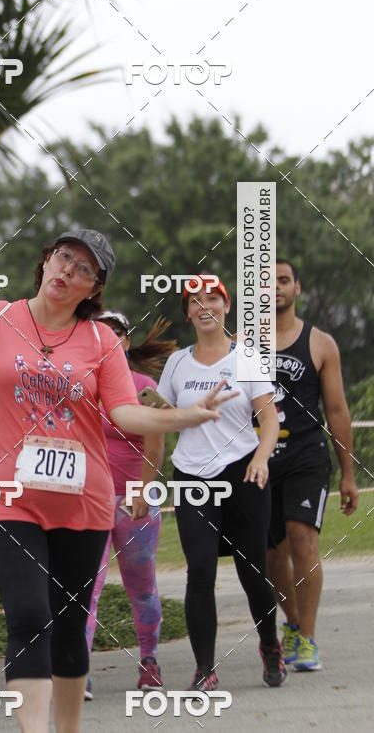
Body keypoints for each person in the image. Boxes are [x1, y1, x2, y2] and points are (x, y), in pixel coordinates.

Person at [0, 231, 236, 733]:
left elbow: (125, 413)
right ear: (47, 260)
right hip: (7, 497)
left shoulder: (99, 342)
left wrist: (186, 417)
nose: (67, 271)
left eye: (82, 269)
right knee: (30, 616)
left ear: (93, 289)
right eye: (64, 258)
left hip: (83, 503)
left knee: (71, 628)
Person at [157, 273, 287, 691]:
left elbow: (268, 420)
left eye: (213, 298)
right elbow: (161, 418)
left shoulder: (246, 358)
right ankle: (205, 668)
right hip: (192, 475)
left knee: (253, 570)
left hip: (243, 471)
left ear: (226, 307)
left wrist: (262, 458)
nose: (204, 306)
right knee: (200, 572)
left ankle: (270, 645)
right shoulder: (177, 363)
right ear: (188, 312)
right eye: (195, 301)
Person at [263, 259, 358, 671]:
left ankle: (309, 639)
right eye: (267, 283)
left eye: (284, 280)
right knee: (271, 554)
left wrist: (349, 473)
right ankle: (293, 622)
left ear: (297, 288)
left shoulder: (321, 343)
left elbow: (336, 410)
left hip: (307, 454)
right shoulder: (243, 343)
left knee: (302, 539)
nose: (276, 288)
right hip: (260, 459)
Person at [84, 311, 177, 699]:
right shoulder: (82, 386)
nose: (108, 337)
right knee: (86, 588)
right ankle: (78, 671)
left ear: (125, 341)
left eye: (116, 332)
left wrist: (143, 490)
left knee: (141, 586)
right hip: (87, 500)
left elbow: (156, 444)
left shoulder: (143, 387)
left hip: (134, 499)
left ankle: (150, 662)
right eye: (99, 331)